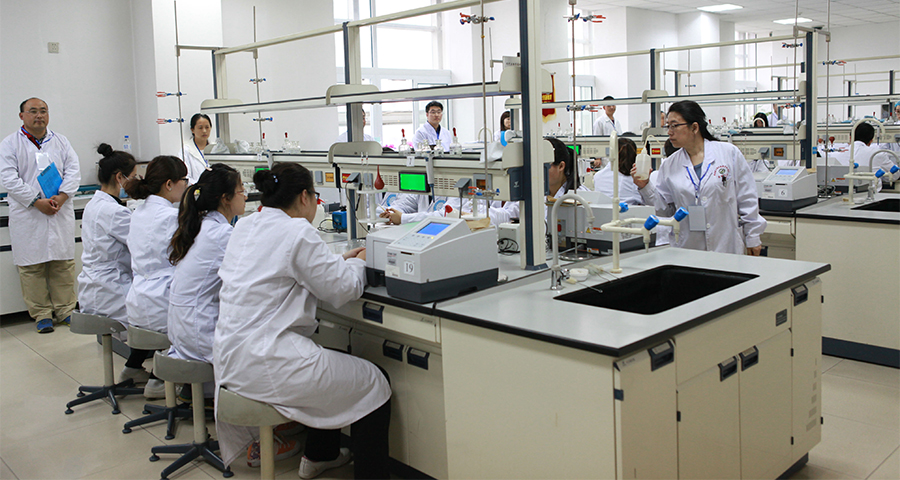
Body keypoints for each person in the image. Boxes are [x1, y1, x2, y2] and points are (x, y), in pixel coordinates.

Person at [214, 163, 391, 479]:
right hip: (267, 363)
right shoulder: (297, 230)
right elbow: (342, 289)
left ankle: (320, 456)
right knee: (374, 381)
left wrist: (339, 260)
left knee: (335, 363)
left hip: (231, 359)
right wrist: (360, 264)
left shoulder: (246, 225)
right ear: (305, 197)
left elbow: (284, 267)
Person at [632, 100, 766, 255]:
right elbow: (664, 211)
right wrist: (645, 186)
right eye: (668, 126)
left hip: (725, 244)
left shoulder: (728, 154)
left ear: (694, 127)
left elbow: (747, 199)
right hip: (688, 247)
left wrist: (753, 236)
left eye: (674, 126)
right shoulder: (669, 165)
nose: (669, 132)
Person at [0, 98, 81, 333]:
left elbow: (73, 171)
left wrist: (62, 197)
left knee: (62, 264)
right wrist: (36, 201)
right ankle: (42, 314)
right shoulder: (10, 144)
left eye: (43, 111)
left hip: (59, 210)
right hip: (28, 213)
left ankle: (65, 310)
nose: (39, 116)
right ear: (22, 116)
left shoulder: (61, 141)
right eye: (33, 111)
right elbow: (9, 179)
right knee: (31, 267)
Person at [77, 144, 145, 382]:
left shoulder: (95, 204)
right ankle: (159, 378)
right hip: (110, 290)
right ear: (120, 178)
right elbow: (143, 243)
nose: (136, 181)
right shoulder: (113, 212)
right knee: (156, 313)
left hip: (94, 286)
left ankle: (134, 368)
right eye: (133, 176)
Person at [124, 155, 189, 398]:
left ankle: (135, 369)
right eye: (184, 180)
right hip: (162, 301)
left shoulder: (138, 212)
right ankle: (158, 381)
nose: (187, 185)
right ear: (169, 184)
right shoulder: (170, 217)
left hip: (138, 299)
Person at [593, 137, 642, 205]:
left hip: (604, 211)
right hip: (627, 211)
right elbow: (650, 203)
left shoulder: (598, 176)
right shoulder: (634, 181)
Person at [183, 113, 213, 184]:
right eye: (200, 128)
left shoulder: (215, 148)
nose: (204, 131)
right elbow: (185, 177)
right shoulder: (186, 150)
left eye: (207, 127)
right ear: (192, 130)